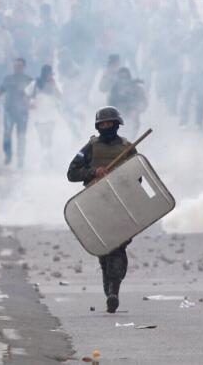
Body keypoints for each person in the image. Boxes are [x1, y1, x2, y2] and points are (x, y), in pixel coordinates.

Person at [66, 107, 136, 314]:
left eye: (109, 124)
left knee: (117, 248)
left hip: (121, 205)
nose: (106, 127)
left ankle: (113, 290)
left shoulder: (128, 148)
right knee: (104, 250)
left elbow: (138, 177)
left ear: (116, 125)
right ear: (98, 126)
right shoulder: (90, 148)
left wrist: (120, 176)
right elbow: (72, 173)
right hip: (97, 205)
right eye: (102, 124)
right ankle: (110, 290)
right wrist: (93, 172)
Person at [0, 58, 32, 167]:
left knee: (21, 136)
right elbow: (1, 89)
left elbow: (33, 94)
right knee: (7, 135)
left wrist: (31, 102)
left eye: (19, 66)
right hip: (9, 111)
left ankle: (21, 158)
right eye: (15, 65)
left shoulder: (28, 80)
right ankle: (8, 154)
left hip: (22, 112)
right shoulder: (8, 79)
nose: (17, 67)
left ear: (24, 67)